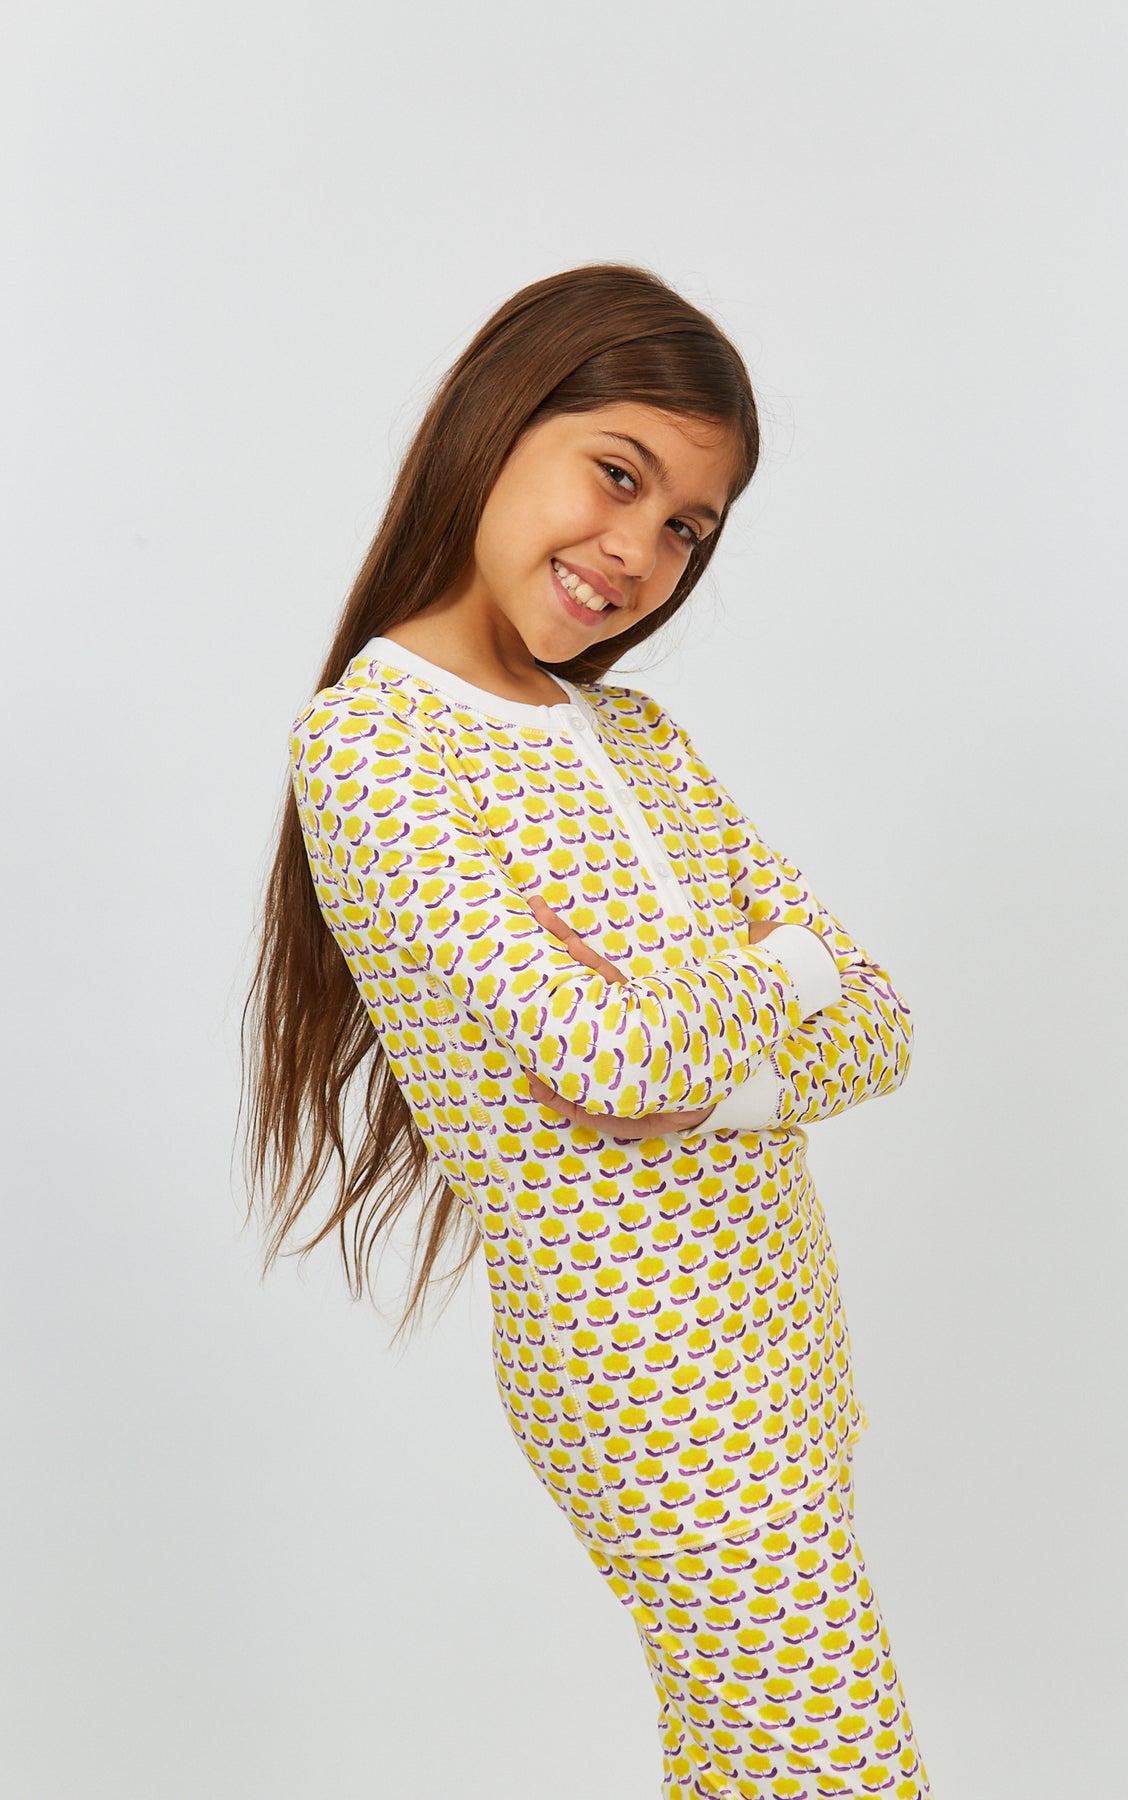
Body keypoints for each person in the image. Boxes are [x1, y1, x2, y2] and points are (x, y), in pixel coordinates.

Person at [241, 263, 934, 1800]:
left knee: (747, 1763)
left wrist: (724, 1049)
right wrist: (779, 970)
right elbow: (605, 1060)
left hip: (785, 1331)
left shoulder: (640, 738)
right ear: (498, 420)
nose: (639, 549)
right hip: (643, 1376)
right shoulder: (374, 744)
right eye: (619, 475)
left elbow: (879, 1024)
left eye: (688, 525)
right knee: (840, 1768)